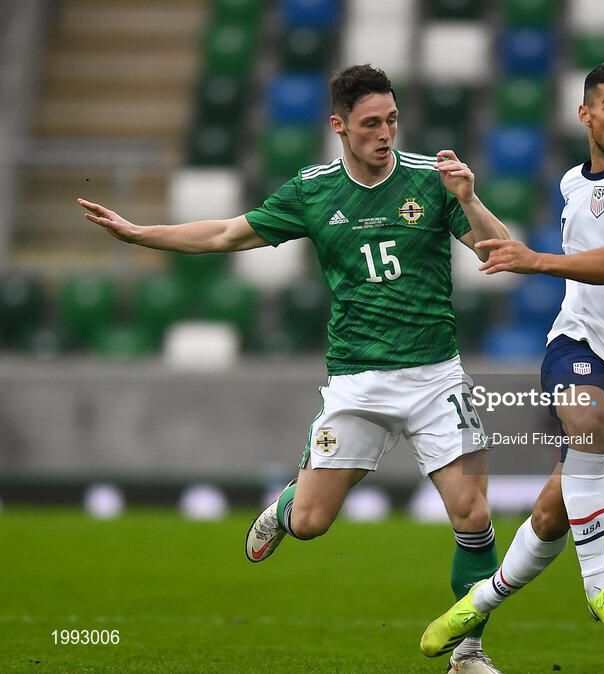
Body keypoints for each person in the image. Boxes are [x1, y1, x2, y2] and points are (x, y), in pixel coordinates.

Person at [80, 64, 510, 674]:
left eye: (391, 119)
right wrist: (139, 233)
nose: (384, 133)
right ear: (338, 126)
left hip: (435, 375)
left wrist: (470, 198)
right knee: (310, 523)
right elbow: (227, 233)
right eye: (369, 124)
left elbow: (501, 253)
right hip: (357, 382)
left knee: (473, 513)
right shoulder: (312, 191)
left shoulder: (433, 180)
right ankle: (282, 509)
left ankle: (469, 652)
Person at [420, 61, 604, 658]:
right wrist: (534, 259)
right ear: (585, 115)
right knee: (585, 420)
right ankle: (600, 586)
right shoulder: (571, 184)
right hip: (575, 343)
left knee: (554, 514)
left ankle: (477, 605)